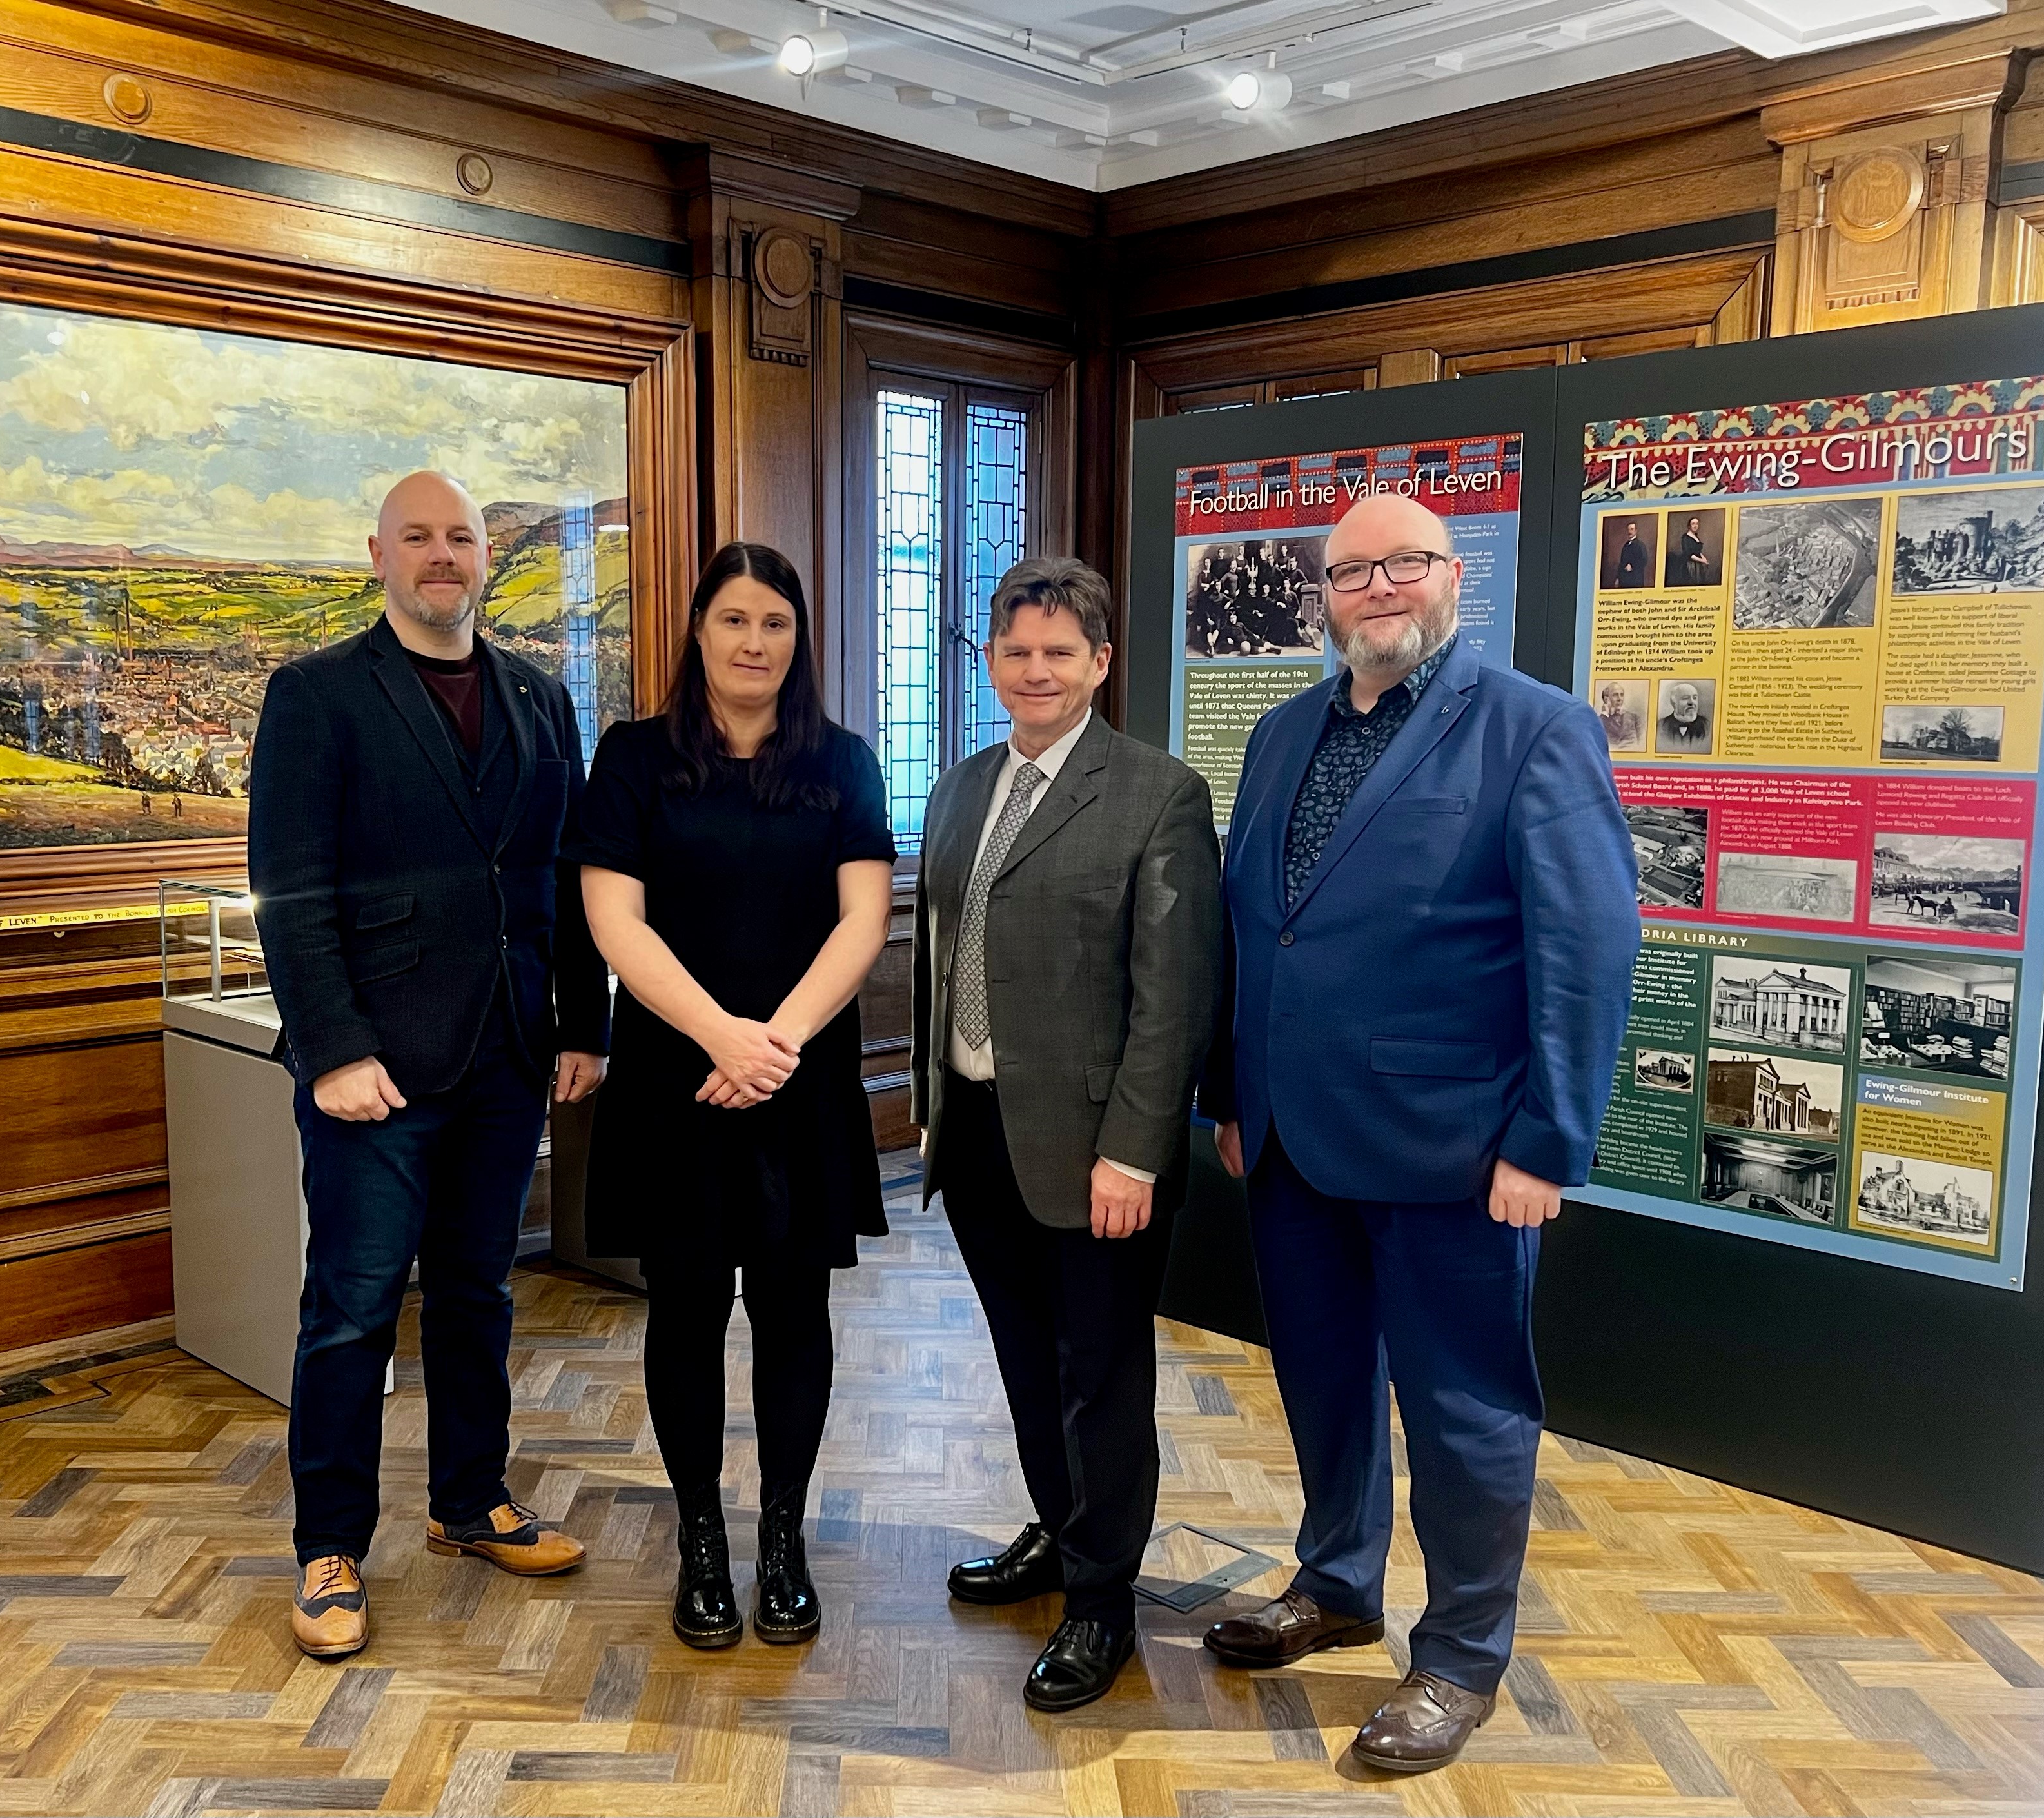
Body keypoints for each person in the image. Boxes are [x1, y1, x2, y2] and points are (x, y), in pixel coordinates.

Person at [1199, 493, 1639, 1774]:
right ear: (1323, 593)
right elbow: (1254, 928)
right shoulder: (1282, 733)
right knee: (1323, 1384)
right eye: (1352, 570)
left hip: (1457, 1150)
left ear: (1453, 577)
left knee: (1465, 1410)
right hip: (1290, 1143)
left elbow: (1587, 948)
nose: (1378, 588)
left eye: (1404, 563)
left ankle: (1458, 1655)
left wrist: (1548, 1139)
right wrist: (1232, 1097)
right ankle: (1335, 1581)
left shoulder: (1534, 729)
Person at [249, 470, 609, 1661]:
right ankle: (329, 1545)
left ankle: (470, 1501)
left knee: (477, 1293)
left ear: (483, 559)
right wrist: (333, 1050)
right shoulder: (314, 696)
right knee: (351, 1310)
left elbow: (557, 877)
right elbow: (290, 891)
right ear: (379, 555)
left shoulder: (538, 696)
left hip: (507, 1053)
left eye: (460, 536)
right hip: (377, 1070)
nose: (443, 554)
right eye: (420, 537)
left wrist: (580, 1022)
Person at [567, 542, 894, 1651]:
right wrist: (719, 1034)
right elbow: (616, 921)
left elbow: (863, 918)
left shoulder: (843, 760)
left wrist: (777, 1042)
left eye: (776, 623)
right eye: (734, 620)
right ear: (698, 631)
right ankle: (702, 1537)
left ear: (798, 640)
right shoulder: (633, 755)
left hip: (797, 1080)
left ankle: (784, 1538)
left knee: (796, 1310)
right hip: (677, 1078)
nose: (755, 642)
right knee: (689, 1306)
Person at [912, 557, 1222, 1713]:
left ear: (1099, 661)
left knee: (1100, 1374)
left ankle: (1101, 1601)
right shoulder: (959, 786)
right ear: (991, 661)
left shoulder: (1157, 794)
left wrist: (1134, 1149)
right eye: (1015, 649)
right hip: (980, 1129)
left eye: (1059, 651)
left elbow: (1172, 996)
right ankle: (1058, 1526)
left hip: (1097, 1148)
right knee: (1024, 1359)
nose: (1035, 669)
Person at [1658, 679, 1713, 753]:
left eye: (1695, 698)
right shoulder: (1660, 726)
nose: (1691, 702)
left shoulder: (1708, 726)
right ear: (1674, 704)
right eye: (1685, 698)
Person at [1593, 680, 1646, 751]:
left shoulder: (1635, 718)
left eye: (1622, 695)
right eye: (1615, 695)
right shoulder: (1601, 720)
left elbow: (1641, 744)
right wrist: (1605, 714)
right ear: (1606, 699)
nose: (1620, 699)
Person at [1667, 513, 1712, 588]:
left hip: (1698, 564)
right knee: (1692, 583)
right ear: (1689, 526)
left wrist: (1704, 559)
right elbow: (1690, 554)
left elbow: (1698, 551)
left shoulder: (1696, 537)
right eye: (1693, 524)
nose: (1695, 526)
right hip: (1690, 565)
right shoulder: (1685, 538)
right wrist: (1702, 561)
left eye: (1697, 524)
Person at [1613, 520, 1652, 589]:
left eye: (1632, 529)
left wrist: (1632, 566)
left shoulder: (1640, 545)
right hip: (1624, 582)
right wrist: (1618, 578)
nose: (1630, 532)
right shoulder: (1625, 546)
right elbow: (1622, 563)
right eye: (1629, 530)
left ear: (1636, 531)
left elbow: (1644, 560)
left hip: (1635, 580)